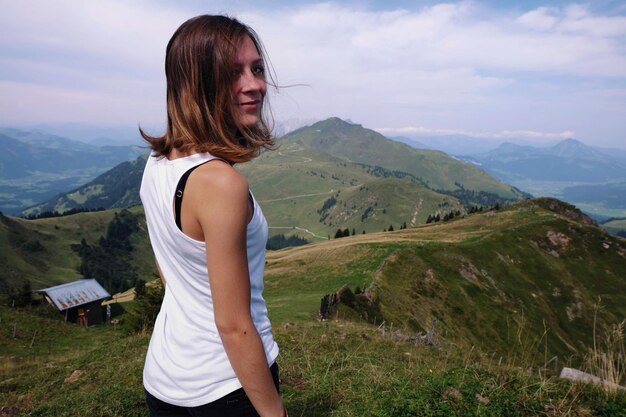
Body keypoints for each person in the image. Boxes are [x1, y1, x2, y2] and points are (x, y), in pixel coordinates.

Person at [139, 15, 287, 417]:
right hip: (228, 387)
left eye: (256, 68)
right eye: (232, 72)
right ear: (198, 83)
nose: (254, 83)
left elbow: (170, 268)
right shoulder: (222, 184)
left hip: (165, 380)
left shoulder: (159, 162)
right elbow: (234, 326)